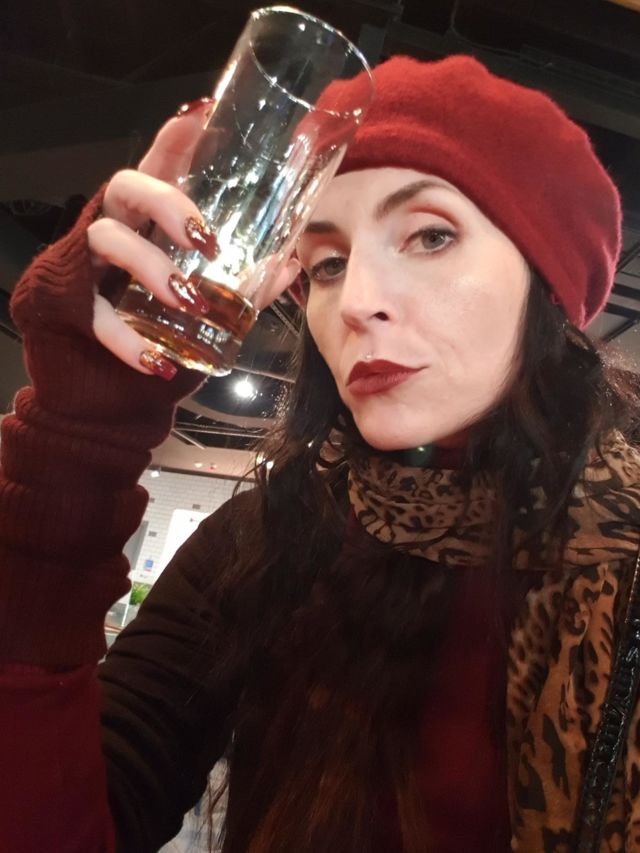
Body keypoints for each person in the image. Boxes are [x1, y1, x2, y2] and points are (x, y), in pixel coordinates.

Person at [0, 53, 637, 853]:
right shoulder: (266, 544)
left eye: (431, 235)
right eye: (327, 262)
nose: (357, 300)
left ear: (550, 281)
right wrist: (71, 449)